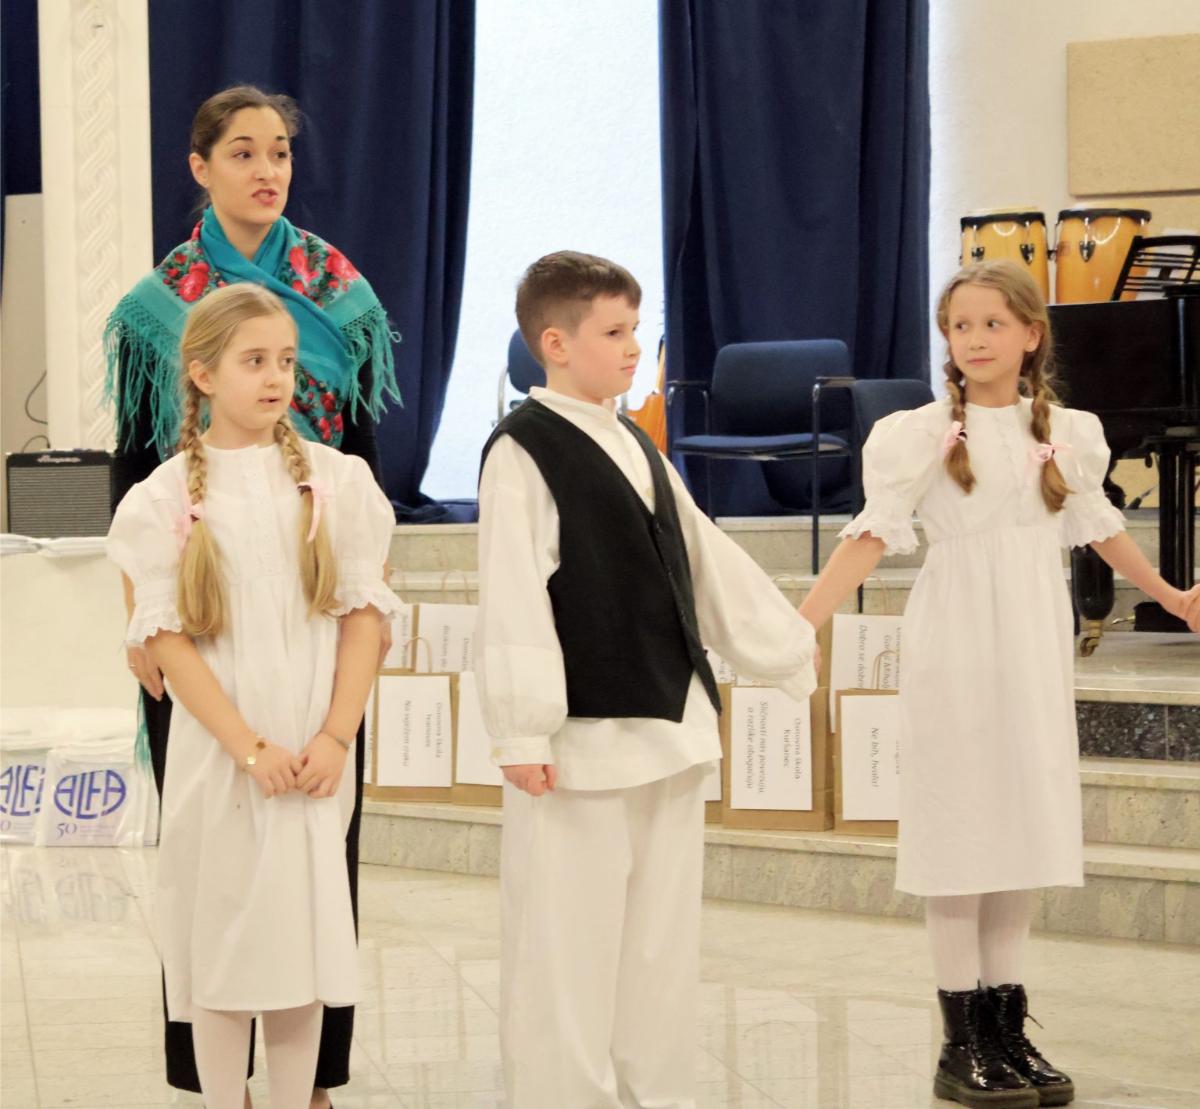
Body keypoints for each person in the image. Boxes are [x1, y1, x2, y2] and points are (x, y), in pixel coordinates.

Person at [798, 260, 1200, 1109]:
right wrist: (804, 623)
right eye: (959, 326)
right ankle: (961, 1041)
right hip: (958, 636)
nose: (974, 340)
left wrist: (1168, 595)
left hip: (1032, 639)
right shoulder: (918, 433)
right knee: (960, 827)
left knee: (1019, 827)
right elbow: (870, 535)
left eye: (992, 324)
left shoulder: (1068, 431)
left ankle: (1007, 1031)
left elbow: (1099, 527)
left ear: (1030, 334)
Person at [103, 84, 398, 1104]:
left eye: (279, 151)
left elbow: (362, 446)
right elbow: (134, 465)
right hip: (197, 606)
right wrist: (136, 619)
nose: (266, 170)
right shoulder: (158, 307)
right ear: (200, 168)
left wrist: (367, 596)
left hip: (315, 615)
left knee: (321, 850)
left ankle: (314, 1077)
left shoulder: (338, 289)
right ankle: (210, 1074)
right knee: (208, 855)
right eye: (242, 152)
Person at [475, 250, 819, 1107]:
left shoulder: (632, 437)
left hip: (670, 722)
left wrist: (783, 646)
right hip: (580, 739)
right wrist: (521, 728)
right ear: (555, 343)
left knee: (659, 944)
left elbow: (702, 555)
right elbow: (513, 591)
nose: (635, 347)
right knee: (567, 946)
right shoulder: (522, 448)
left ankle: (655, 1093)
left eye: (636, 328)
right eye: (615, 331)